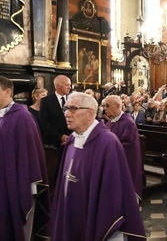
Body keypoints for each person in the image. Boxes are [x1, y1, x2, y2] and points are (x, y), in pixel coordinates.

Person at [50, 92, 146, 240]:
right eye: (66, 109)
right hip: (70, 212)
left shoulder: (107, 142)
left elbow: (111, 194)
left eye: (73, 109)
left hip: (93, 218)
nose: (67, 114)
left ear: (90, 112)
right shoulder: (72, 140)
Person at [0, 76, 50, 240]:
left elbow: (30, 154)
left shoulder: (22, 117)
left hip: (15, 183)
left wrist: (28, 186)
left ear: (8, 92)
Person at [104, 95, 143, 200]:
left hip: (124, 166)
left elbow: (128, 146)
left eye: (107, 106)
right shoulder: (109, 123)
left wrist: (107, 150)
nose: (104, 109)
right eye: (103, 106)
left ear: (117, 106)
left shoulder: (128, 123)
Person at [40, 75, 72, 191]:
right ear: (58, 86)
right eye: (67, 85)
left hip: (71, 143)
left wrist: (72, 137)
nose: (70, 87)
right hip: (54, 146)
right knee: (54, 176)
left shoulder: (72, 100)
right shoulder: (47, 101)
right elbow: (44, 124)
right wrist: (60, 137)